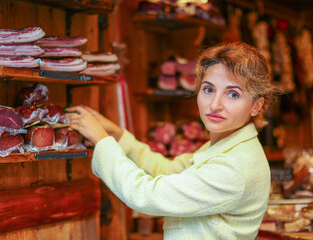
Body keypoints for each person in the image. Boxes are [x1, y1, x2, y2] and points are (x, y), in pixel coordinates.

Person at [67, 42, 281, 240]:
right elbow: (167, 169)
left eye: (233, 94)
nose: (215, 104)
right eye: (208, 90)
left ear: (256, 106)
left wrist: (102, 141)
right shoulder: (227, 147)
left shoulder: (234, 166)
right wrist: (117, 135)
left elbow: (146, 195)